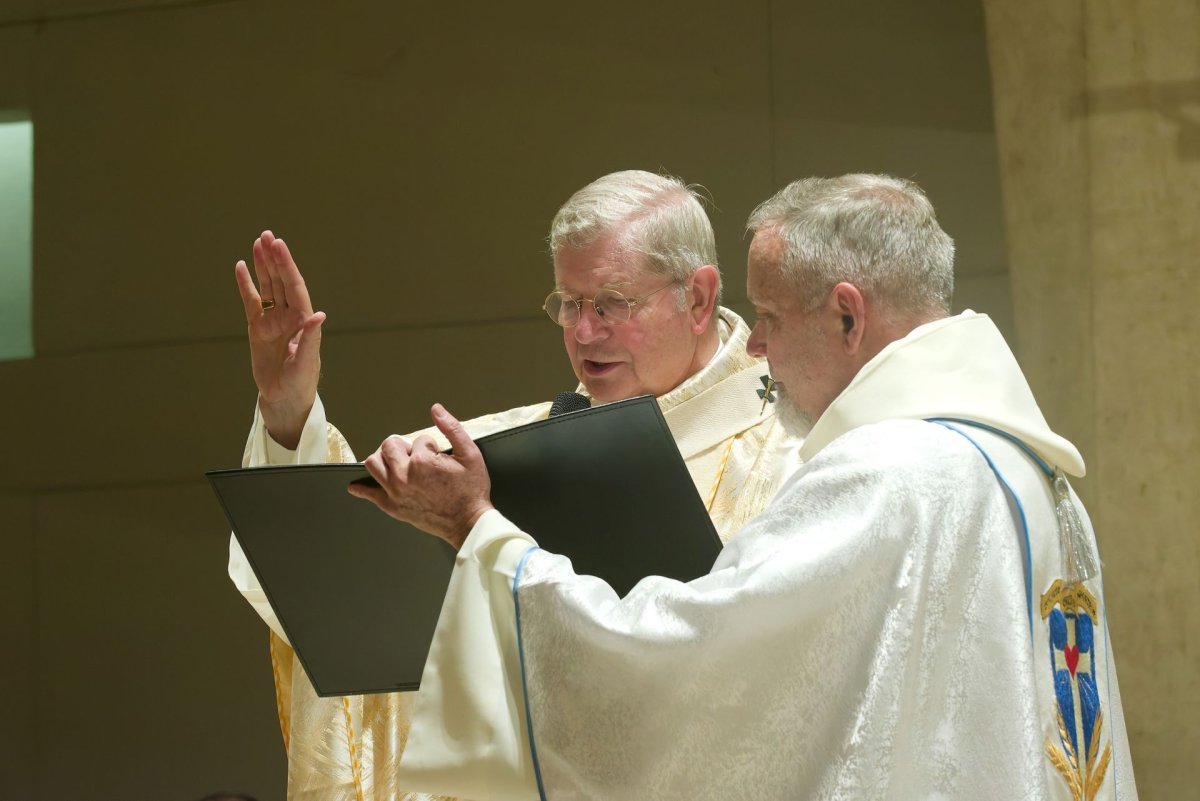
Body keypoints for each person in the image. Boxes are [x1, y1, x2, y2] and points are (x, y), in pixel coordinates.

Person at [352, 174, 1138, 800]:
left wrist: (483, 537)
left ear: (847, 317)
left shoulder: (888, 474)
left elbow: (685, 671)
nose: (753, 342)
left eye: (767, 315)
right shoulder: (1031, 472)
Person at [227, 170, 795, 800]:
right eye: (569, 304)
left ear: (698, 296)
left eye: (610, 303)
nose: (583, 333)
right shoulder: (494, 457)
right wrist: (287, 411)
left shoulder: (798, 453)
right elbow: (317, 586)